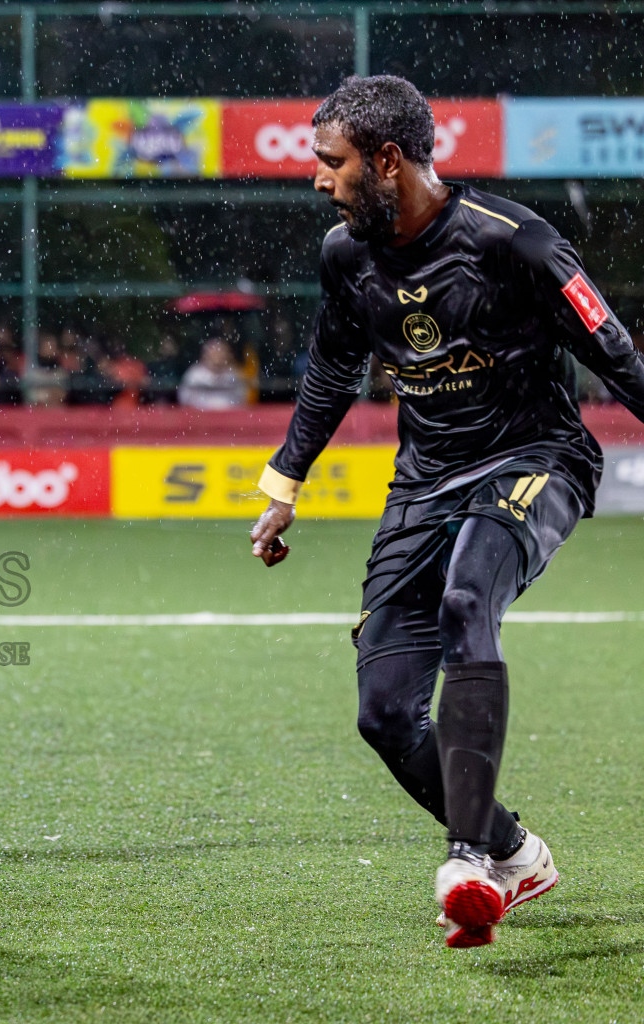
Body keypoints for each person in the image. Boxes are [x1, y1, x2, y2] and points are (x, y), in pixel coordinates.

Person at [247, 75, 644, 949]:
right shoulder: (345, 256)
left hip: (536, 460)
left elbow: (617, 356)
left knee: (470, 599)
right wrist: (285, 484)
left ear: (387, 160)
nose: (318, 179)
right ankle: (515, 851)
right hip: (424, 486)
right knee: (383, 714)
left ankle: (468, 860)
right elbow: (329, 369)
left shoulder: (520, 245)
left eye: (332, 163)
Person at [177, 338, 248, 409]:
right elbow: (184, 399)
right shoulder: (194, 374)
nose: (218, 357)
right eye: (215, 353)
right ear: (206, 355)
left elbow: (242, 399)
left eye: (221, 353)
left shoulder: (233, 375)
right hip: (200, 416)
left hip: (228, 416)